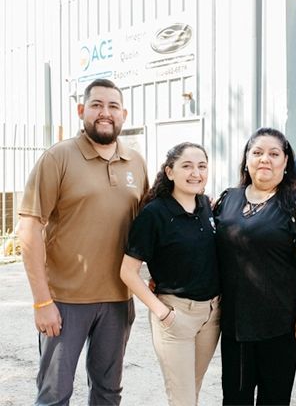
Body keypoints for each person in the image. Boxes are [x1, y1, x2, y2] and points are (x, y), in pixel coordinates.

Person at [17, 78, 149, 405]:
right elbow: (30, 227)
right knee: (54, 394)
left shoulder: (136, 162)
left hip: (118, 300)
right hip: (64, 302)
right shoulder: (58, 158)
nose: (105, 113)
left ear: (124, 114)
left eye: (113, 106)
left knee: (108, 393)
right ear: (81, 111)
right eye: (97, 105)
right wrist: (42, 301)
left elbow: (149, 228)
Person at [213, 127, 296, 406]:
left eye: (274, 153)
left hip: (280, 323)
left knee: (274, 399)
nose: (264, 159)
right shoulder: (228, 199)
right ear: (246, 160)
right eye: (257, 152)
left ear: (286, 161)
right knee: (234, 398)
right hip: (235, 325)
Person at [120, 142, 221, 406]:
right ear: (170, 172)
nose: (195, 173)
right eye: (186, 166)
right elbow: (128, 272)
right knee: (182, 399)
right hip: (176, 316)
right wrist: (163, 313)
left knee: (191, 391)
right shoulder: (155, 214)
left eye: (202, 166)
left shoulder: (206, 206)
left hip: (211, 316)